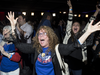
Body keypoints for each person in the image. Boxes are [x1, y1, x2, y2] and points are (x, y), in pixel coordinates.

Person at [5, 11, 100, 75]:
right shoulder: (36, 47)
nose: (41, 35)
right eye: (39, 34)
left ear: (50, 37)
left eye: (44, 33)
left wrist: (88, 32)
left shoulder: (57, 48)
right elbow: (18, 44)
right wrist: (13, 25)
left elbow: (75, 45)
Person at [63, 0, 100, 75]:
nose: (75, 26)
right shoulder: (68, 34)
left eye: (77, 25)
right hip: (67, 64)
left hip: (78, 65)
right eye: (74, 25)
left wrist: (97, 11)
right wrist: (70, 7)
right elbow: (70, 20)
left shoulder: (83, 35)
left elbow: (90, 22)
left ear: (80, 28)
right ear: (71, 27)